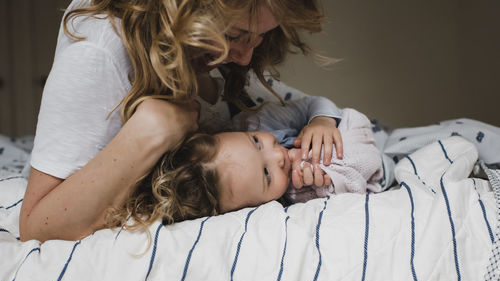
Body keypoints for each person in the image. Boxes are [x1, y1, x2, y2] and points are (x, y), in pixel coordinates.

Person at [19, 0, 333, 242]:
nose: (245, 58)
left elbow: (308, 107)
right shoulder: (98, 53)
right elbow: (36, 226)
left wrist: (321, 119)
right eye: (233, 36)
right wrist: (146, 134)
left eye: (260, 37)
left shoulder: (218, 59)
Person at [113, 97, 382, 227]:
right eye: (266, 175)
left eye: (256, 142)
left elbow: (313, 103)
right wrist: (326, 182)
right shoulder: (293, 196)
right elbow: (358, 182)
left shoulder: (258, 122)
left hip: (373, 135)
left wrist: (320, 121)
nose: (277, 155)